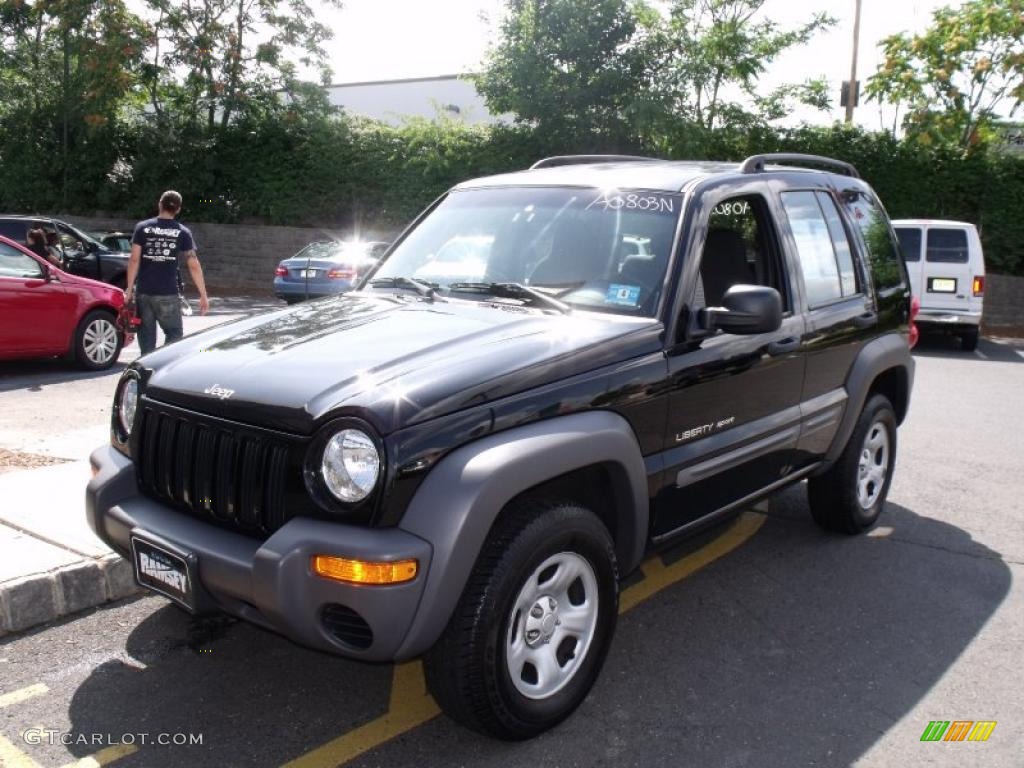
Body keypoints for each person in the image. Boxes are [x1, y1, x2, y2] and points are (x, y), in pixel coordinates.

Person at [124, 190, 209, 354]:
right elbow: (193, 264)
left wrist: (129, 289)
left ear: (160, 204)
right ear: (178, 209)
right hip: (168, 293)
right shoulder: (182, 232)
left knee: (146, 340)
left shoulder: (142, 227)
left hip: (144, 293)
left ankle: (145, 372)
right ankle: (162, 367)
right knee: (174, 335)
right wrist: (203, 294)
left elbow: (134, 259)